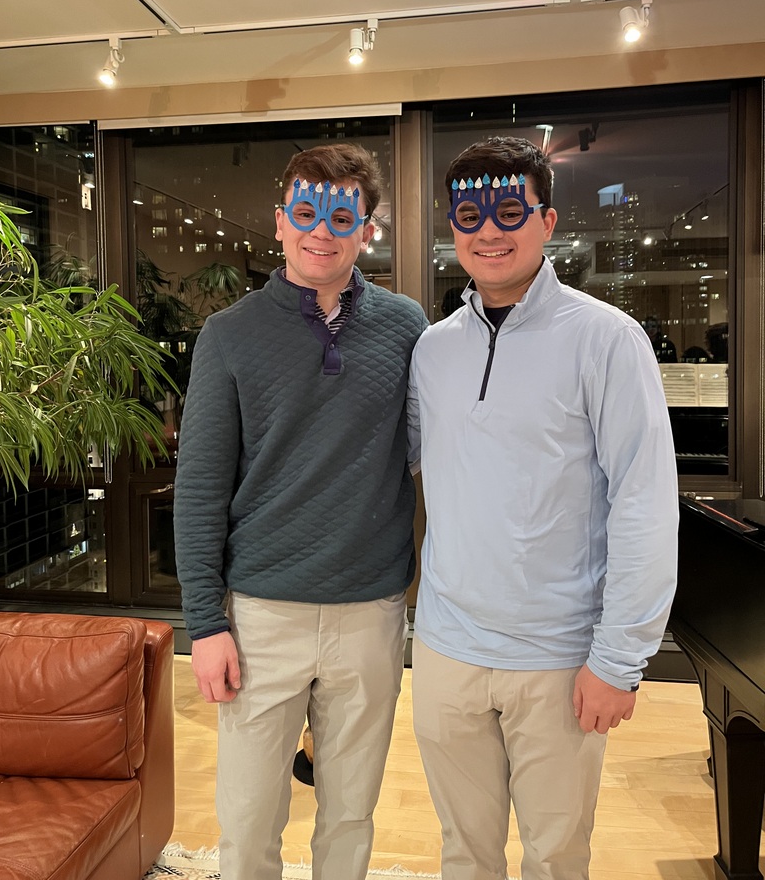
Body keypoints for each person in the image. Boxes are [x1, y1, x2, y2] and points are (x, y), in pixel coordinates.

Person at [408, 136, 678, 880]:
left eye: (509, 211)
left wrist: (619, 659)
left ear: (547, 221)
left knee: (557, 857)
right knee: (463, 853)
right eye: (470, 216)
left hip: (560, 657)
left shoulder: (608, 340)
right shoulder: (432, 350)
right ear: (453, 227)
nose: (489, 231)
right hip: (445, 650)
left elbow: (644, 503)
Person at [174, 142, 428, 880]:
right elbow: (200, 488)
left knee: (350, 815)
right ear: (281, 220)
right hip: (261, 616)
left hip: (372, 611)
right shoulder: (229, 335)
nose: (322, 230)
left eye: (341, 217)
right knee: (249, 819)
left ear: (366, 230)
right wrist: (205, 624)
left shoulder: (406, 327)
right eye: (306, 213)